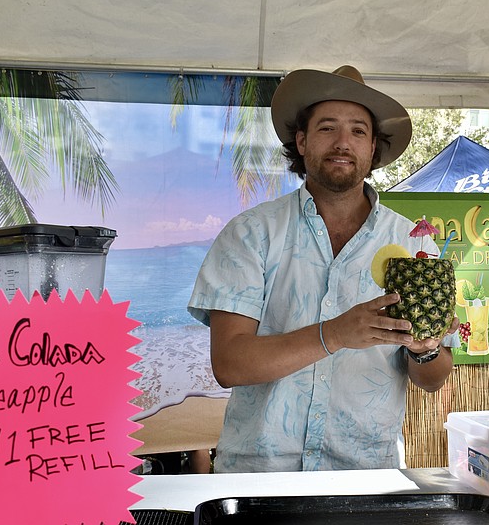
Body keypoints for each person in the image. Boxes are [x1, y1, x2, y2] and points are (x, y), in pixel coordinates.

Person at [187, 65, 459, 473]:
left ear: (373, 150)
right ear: (301, 140)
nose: (343, 143)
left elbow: (433, 379)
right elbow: (229, 364)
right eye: (327, 128)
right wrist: (334, 333)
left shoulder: (414, 244)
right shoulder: (251, 233)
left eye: (358, 131)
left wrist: (426, 351)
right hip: (260, 476)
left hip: (365, 476)